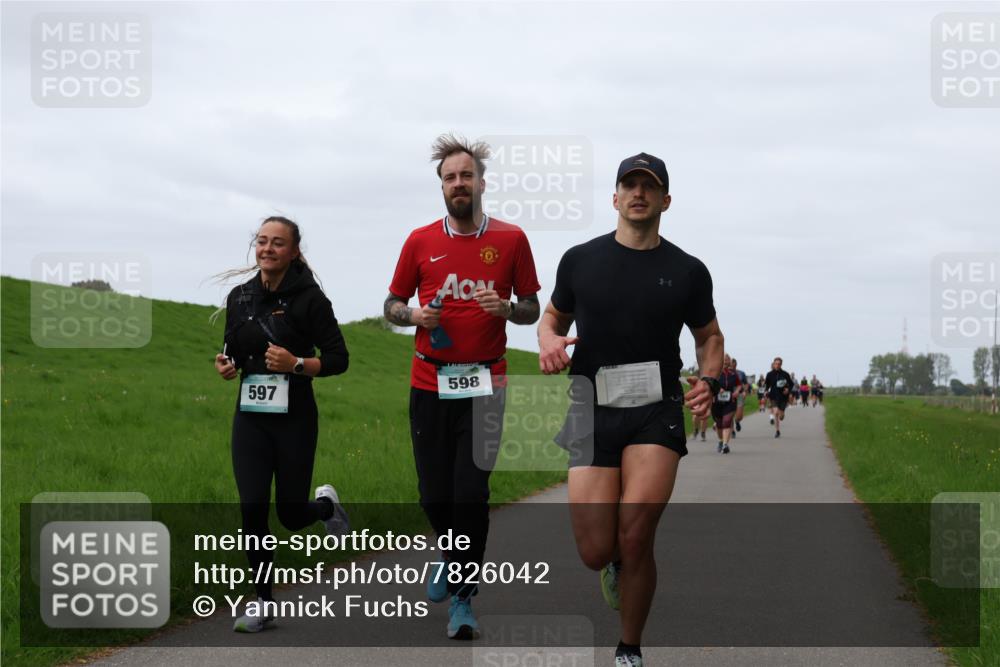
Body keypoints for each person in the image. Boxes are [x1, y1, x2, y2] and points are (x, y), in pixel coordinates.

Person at [538, 152, 723, 667]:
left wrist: (708, 380)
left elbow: (709, 337)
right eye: (629, 184)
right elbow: (552, 317)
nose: (638, 193)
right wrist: (549, 342)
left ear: (665, 200)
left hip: (655, 409)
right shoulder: (580, 259)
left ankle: (629, 648)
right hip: (591, 408)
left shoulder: (687, 270)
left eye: (649, 186)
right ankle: (614, 562)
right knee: (597, 549)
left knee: (637, 531)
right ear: (615, 197)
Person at [383, 134, 541, 640]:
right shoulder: (419, 241)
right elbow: (390, 304)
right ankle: (451, 553)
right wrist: (412, 314)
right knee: (434, 495)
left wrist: (509, 310)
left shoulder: (511, 240)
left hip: (486, 383)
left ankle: (464, 601)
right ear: (442, 186)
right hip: (429, 381)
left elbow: (534, 308)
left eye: (466, 176)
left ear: (481, 183)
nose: (458, 184)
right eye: (450, 177)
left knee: (470, 494)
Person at [213, 216, 350, 633]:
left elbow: (338, 358)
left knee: (290, 515)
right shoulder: (239, 298)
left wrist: (296, 364)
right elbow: (232, 350)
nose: (267, 249)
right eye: (262, 242)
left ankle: (326, 506)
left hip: (295, 419)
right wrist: (227, 366)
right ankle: (263, 601)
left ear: (292, 252)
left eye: (277, 243)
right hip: (251, 420)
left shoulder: (310, 300)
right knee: (252, 508)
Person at [711, 355, 741, 453]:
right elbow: (709, 384)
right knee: (719, 424)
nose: (725, 361)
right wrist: (718, 389)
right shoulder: (714, 372)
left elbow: (739, 385)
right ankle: (720, 441)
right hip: (716, 402)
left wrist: (737, 391)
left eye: (727, 360)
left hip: (730, 401)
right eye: (723, 360)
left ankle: (725, 445)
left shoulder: (733, 373)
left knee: (727, 421)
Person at [764, 357, 793, 438]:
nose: (777, 365)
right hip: (773, 396)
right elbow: (767, 385)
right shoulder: (769, 374)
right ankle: (777, 431)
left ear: (781, 365)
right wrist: (766, 391)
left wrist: (788, 389)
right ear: (773, 364)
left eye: (779, 364)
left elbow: (791, 384)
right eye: (776, 364)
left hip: (783, 397)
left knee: (781, 416)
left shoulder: (785, 374)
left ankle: (782, 414)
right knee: (776, 413)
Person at [731, 357, 748, 432]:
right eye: (731, 365)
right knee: (729, 414)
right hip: (729, 395)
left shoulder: (741, 373)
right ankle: (732, 431)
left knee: (740, 416)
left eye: (734, 365)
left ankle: (737, 421)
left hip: (739, 394)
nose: (732, 367)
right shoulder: (725, 373)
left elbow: (746, 384)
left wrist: (745, 391)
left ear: (736, 365)